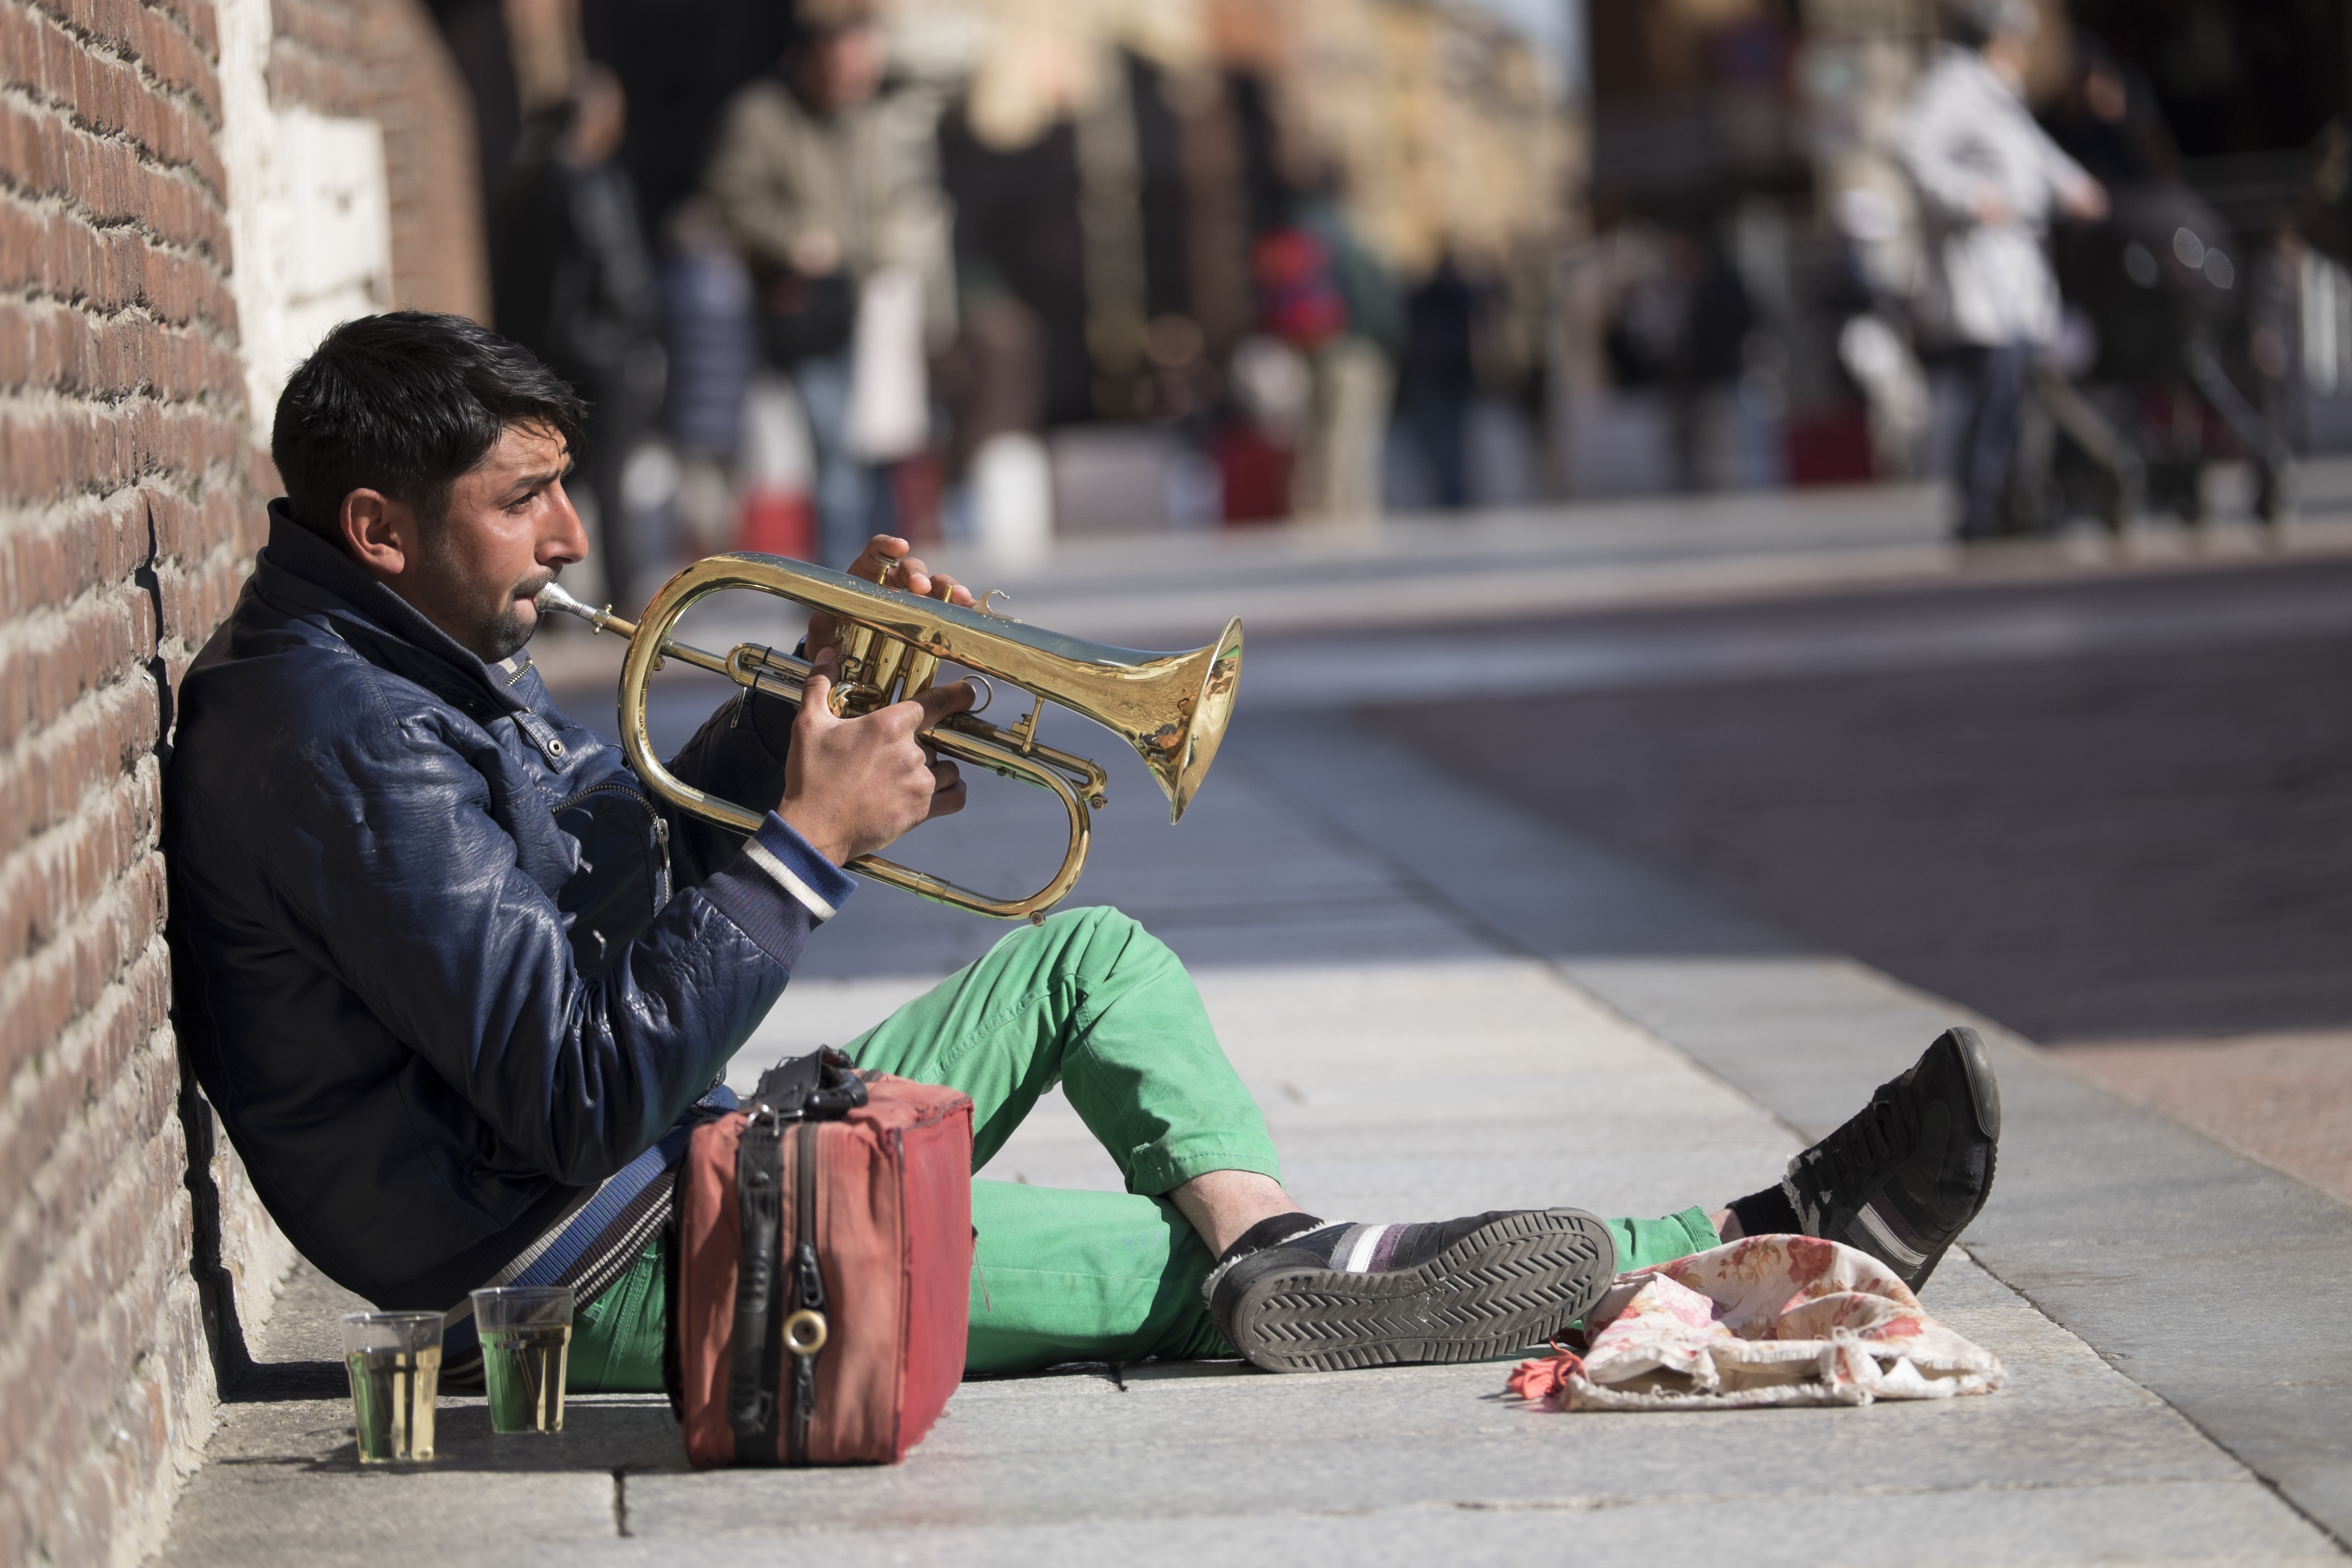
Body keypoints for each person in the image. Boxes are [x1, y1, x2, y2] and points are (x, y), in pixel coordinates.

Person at [163, 311, 2004, 1386]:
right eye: (522, 497)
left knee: (1094, 952)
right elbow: (574, 1083)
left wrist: (786, 703)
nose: (569, 528)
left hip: (672, 1162)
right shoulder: (340, 739)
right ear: (380, 525)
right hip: (593, 1263)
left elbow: (595, 878)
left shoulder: (405, 662)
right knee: (1147, 1270)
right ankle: (1754, 1235)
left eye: (565, 478)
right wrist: (805, 839)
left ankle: (1279, 1245)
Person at [702, 0, 953, 567]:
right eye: (845, 70)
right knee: (836, 453)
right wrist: (794, 239)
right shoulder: (761, 116)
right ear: (812, 60)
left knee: (884, 453)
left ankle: (885, 583)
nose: (856, 83)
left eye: (866, 72)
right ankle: (842, 596)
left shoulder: (869, 120)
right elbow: (728, 197)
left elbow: (904, 204)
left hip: (874, 307)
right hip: (807, 311)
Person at [1899, 0, 2107, 541]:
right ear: (1994, 37)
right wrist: (1970, 197)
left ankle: (2016, 499)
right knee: (1996, 390)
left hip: (2014, 269)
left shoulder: (2000, 95)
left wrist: (2078, 189)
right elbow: (1913, 149)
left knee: (2018, 393)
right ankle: (1980, 507)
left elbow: (2037, 158)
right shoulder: (1954, 85)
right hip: (1981, 267)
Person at [488, 64, 664, 606]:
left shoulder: (523, 179)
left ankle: (545, 588)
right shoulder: (590, 181)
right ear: (599, 118)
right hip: (603, 354)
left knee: (550, 477)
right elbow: (620, 273)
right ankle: (623, 599)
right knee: (609, 479)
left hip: (540, 353)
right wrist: (641, 334)